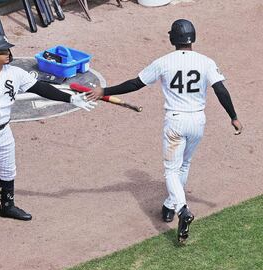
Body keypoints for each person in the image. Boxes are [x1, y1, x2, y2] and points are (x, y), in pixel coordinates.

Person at [87, 19, 243, 243]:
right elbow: (221, 90)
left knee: (171, 170)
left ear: (173, 39)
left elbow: (135, 84)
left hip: (175, 122)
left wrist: (105, 90)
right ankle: (170, 206)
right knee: (184, 164)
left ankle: (182, 209)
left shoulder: (163, 62)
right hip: (198, 121)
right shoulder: (206, 62)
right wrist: (233, 117)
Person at [0, 33, 97, 246]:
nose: (8, 53)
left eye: (8, 49)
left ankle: (7, 206)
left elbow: (40, 87)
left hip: (3, 131)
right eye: (3, 51)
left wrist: (70, 98)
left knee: (8, 172)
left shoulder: (14, 73)